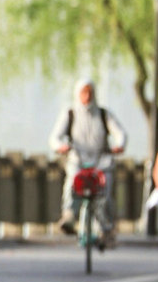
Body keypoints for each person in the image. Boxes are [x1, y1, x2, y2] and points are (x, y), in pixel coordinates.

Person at [48, 78, 127, 245]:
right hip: (78, 160)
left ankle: (106, 227)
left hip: (101, 161)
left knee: (104, 191)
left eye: (90, 92)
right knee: (72, 184)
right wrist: (60, 146)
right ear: (77, 94)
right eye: (83, 92)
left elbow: (120, 133)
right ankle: (69, 216)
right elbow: (54, 137)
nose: (87, 96)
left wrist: (119, 145)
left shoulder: (103, 114)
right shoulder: (70, 114)